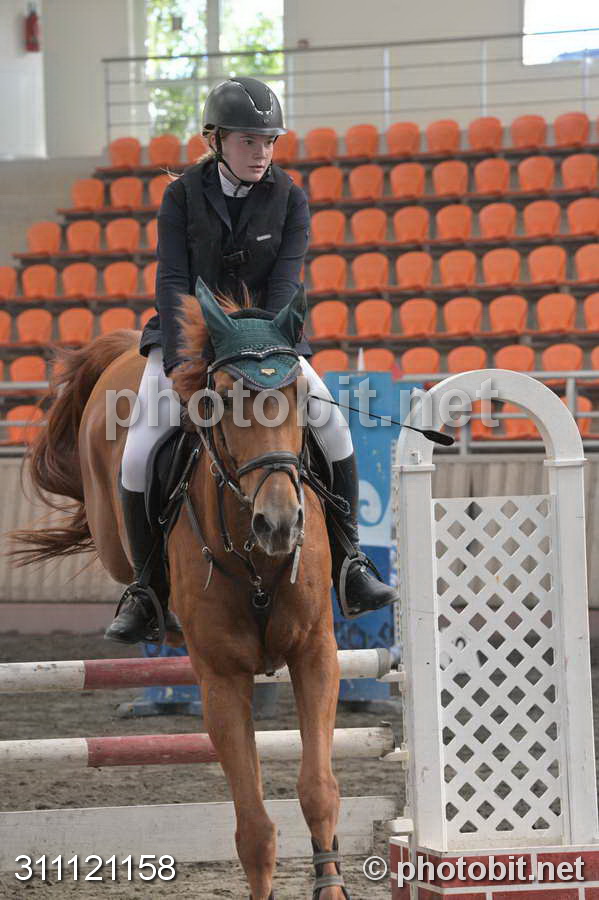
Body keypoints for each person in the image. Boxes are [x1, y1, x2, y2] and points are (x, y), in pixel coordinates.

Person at [105, 76, 399, 644]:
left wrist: (264, 347)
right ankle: (146, 590)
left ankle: (352, 565)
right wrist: (182, 365)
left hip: (267, 342)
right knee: (140, 449)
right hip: (188, 340)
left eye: (269, 141)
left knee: (333, 425)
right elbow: (172, 281)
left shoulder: (290, 197)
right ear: (215, 140)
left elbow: (286, 284)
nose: (261, 152)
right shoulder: (182, 196)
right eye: (248, 141)